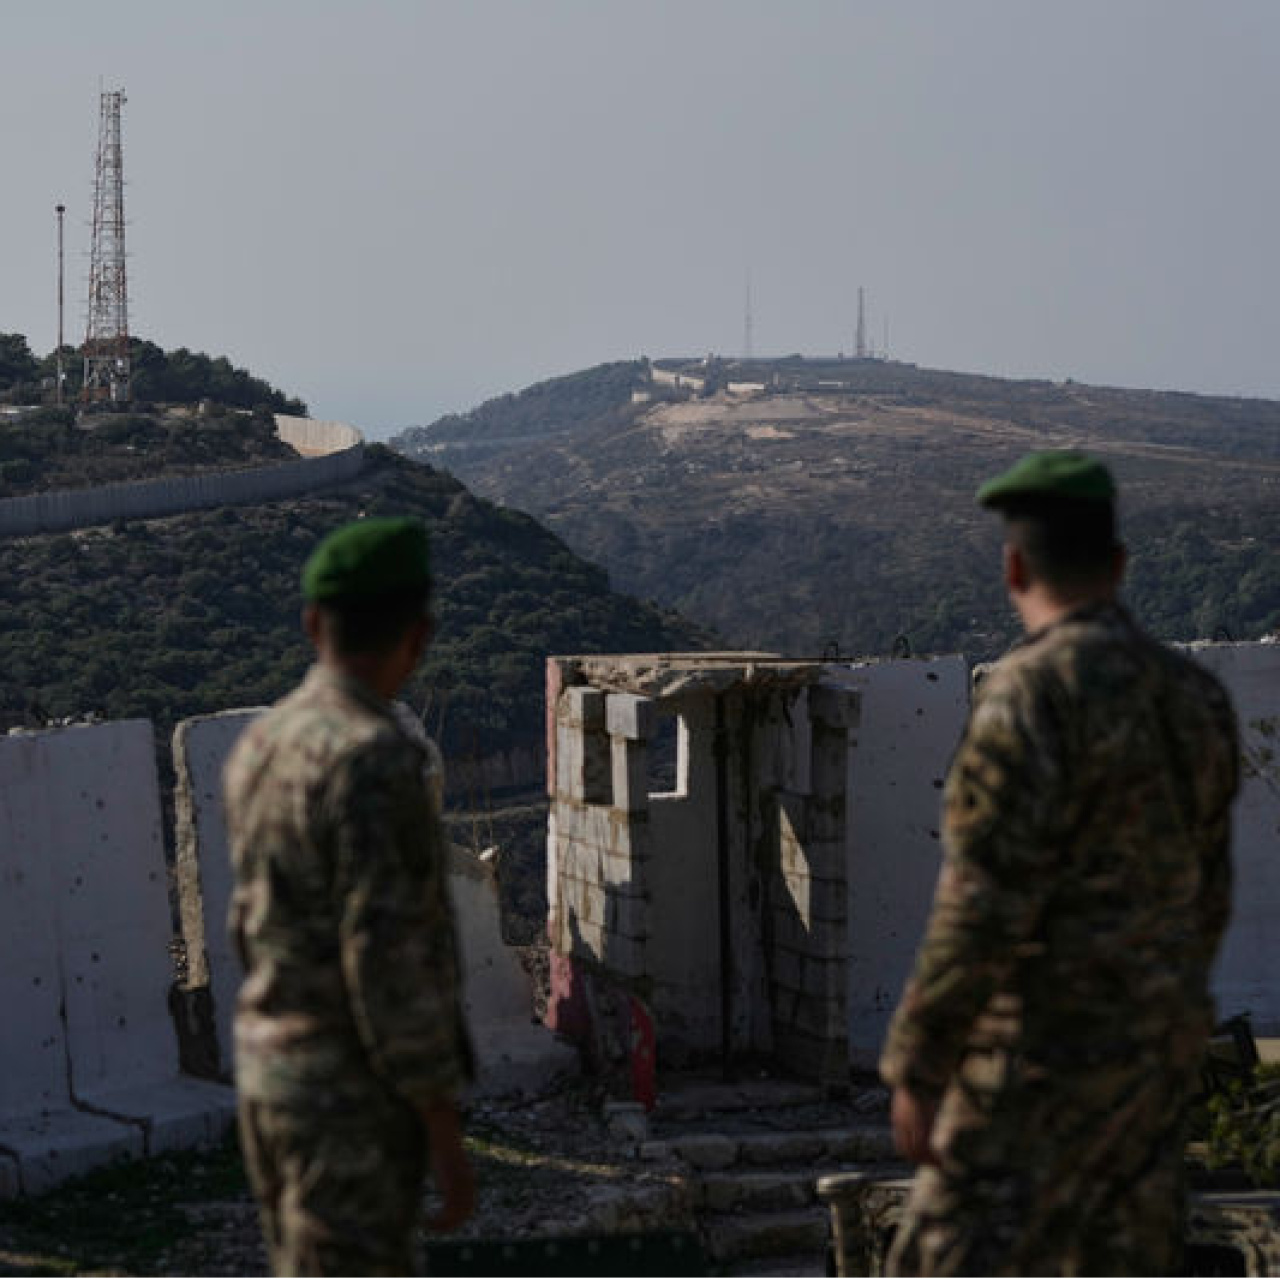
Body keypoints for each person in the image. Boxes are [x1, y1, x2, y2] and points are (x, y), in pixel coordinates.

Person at [879, 451, 1239, 1276]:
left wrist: (919, 1062)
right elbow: (1209, 895)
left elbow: (982, 901)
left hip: (1037, 1067)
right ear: (1118, 565)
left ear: (1013, 566)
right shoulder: (1196, 698)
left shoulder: (1028, 694)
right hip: (1150, 1071)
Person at [224, 516, 475, 1276]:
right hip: (349, 1097)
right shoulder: (373, 760)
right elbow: (388, 957)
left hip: (271, 1076)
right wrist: (442, 1126)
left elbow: (249, 924)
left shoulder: (264, 745)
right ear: (419, 634)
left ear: (311, 624)